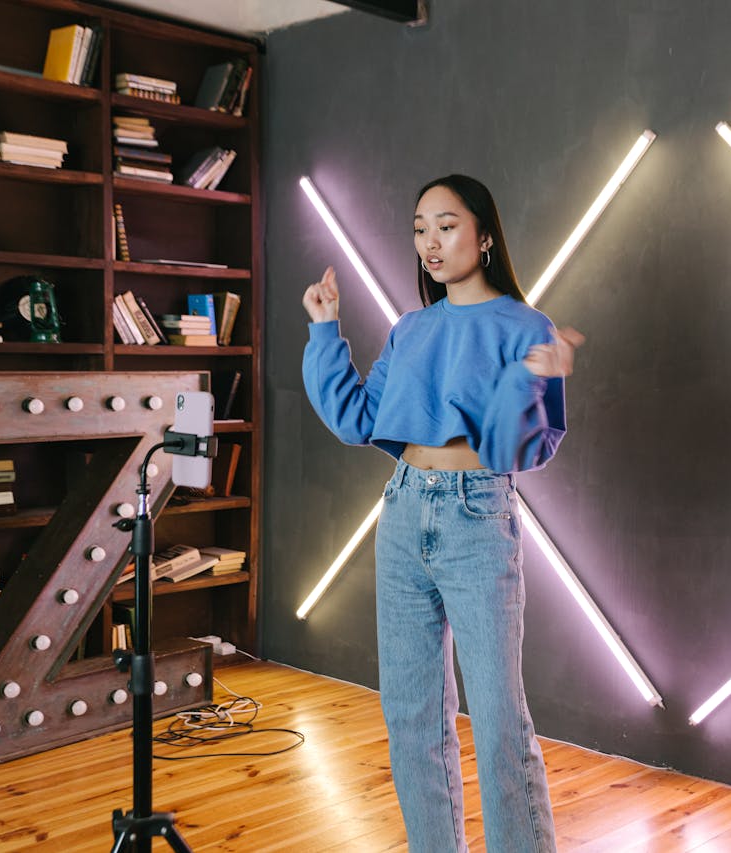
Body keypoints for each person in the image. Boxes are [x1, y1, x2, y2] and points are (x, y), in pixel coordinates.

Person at [302, 174, 583, 852]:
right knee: (412, 717)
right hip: (402, 511)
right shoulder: (411, 329)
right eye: (420, 228)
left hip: (476, 516)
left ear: (484, 236)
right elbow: (357, 419)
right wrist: (324, 329)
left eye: (447, 226)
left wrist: (532, 380)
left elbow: (518, 449)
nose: (430, 241)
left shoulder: (526, 328)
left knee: (498, 719)